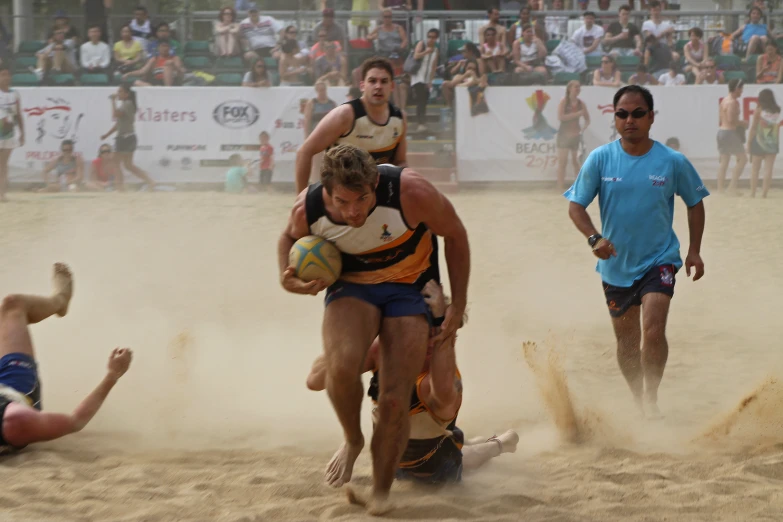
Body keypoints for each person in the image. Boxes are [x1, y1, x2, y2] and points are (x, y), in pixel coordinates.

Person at [278, 144, 470, 514]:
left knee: (395, 397)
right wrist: (286, 277)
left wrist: (457, 303)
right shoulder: (310, 206)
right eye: (343, 201)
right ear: (328, 192)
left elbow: (456, 234)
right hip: (352, 285)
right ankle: (352, 440)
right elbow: (287, 237)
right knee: (341, 366)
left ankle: (381, 492)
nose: (353, 211)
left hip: (409, 289)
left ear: (376, 183)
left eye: (362, 199)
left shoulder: (411, 192)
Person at [564, 85, 708, 419]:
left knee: (654, 330)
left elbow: (695, 203)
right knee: (627, 344)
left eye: (638, 113)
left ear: (651, 117)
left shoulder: (672, 161)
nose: (630, 120)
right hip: (615, 267)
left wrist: (694, 251)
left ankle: (652, 399)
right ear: (614, 118)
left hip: (660, 260)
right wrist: (593, 238)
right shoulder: (599, 158)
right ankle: (638, 400)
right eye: (622, 114)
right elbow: (576, 207)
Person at [306, 280, 519, 485]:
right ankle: (469, 440)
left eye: (435, 330)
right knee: (450, 441)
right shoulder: (383, 349)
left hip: (437, 468)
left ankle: (499, 444)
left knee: (462, 455)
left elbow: (442, 389)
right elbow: (316, 379)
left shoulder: (442, 380)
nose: (425, 338)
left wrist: (441, 325)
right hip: (394, 461)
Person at [0, 263, 132, 454]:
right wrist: (112, 375)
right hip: (16, 385)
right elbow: (76, 421)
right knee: (13, 304)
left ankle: (58, 302)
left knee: (10, 305)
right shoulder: (17, 422)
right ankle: (60, 300)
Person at [294, 57, 407, 194]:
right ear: (362, 86)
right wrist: (301, 199)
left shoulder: (399, 118)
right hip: (340, 199)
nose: (378, 86)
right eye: (372, 81)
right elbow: (304, 152)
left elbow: (400, 162)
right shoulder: (344, 115)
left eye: (384, 81)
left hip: (376, 196)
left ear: (392, 86)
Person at [100, 84, 156, 192]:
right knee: (128, 165)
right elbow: (119, 124)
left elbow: (116, 115)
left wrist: (112, 101)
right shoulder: (127, 104)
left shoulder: (127, 104)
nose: (118, 94)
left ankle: (120, 188)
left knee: (116, 162)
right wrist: (107, 134)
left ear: (127, 94)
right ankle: (150, 181)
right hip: (129, 137)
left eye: (120, 92)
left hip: (124, 138)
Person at [746, 88, 780, 199]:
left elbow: (753, 128)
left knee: (755, 169)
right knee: (768, 169)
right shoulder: (777, 110)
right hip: (772, 141)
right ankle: (764, 194)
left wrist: (749, 142)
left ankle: (753, 193)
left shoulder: (759, 111)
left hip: (759, 141)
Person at [557, 81, 590, 191]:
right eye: (576, 87)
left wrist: (582, 130)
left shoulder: (581, 103)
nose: (578, 89)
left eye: (579, 87)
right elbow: (561, 117)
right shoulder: (564, 102)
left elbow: (587, 120)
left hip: (575, 135)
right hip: (564, 135)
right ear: (569, 89)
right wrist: (576, 114)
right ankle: (560, 187)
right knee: (563, 162)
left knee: (576, 162)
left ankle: (579, 187)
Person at [716, 79, 748, 194]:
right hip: (730, 133)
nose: (741, 92)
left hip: (722, 132)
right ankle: (732, 186)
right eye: (741, 89)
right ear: (737, 89)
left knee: (724, 161)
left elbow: (723, 118)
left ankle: (720, 189)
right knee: (743, 159)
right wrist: (742, 123)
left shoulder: (724, 100)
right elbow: (731, 119)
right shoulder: (732, 102)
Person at [303, 82, 338, 185]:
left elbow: (336, 122)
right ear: (316, 90)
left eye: (323, 89)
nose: (322, 92)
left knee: (329, 161)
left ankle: (328, 183)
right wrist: (306, 137)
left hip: (329, 137)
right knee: (316, 163)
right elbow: (307, 121)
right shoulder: (312, 103)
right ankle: (315, 183)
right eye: (320, 90)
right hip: (316, 137)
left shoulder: (332, 104)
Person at [0, 64, 23, 202]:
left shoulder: (15, 94)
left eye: (8, 75)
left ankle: (2, 193)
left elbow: (19, 114)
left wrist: (22, 133)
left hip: (9, 133)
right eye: (3, 74)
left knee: (3, 164)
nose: (6, 77)